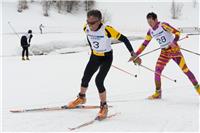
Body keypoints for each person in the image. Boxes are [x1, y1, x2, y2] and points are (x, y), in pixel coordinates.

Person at [67, 9, 141, 120]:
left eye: (93, 22)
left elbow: (124, 39)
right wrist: (92, 48)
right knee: (85, 77)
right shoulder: (85, 27)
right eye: (88, 22)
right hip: (95, 56)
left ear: (100, 20)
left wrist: (133, 53)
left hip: (106, 57)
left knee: (99, 80)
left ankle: (104, 106)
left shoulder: (107, 30)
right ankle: (81, 98)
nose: (90, 25)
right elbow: (89, 36)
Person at [129, 12, 200, 99]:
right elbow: (144, 44)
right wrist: (136, 54)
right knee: (157, 71)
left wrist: (174, 42)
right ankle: (158, 93)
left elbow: (177, 32)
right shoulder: (150, 31)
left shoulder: (163, 26)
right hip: (164, 53)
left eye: (151, 22)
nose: (150, 24)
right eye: (148, 22)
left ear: (156, 20)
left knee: (185, 70)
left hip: (174, 51)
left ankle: (198, 89)